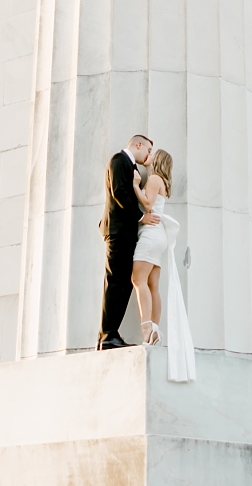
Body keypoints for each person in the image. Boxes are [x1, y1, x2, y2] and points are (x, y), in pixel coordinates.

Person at [97, 134, 156, 350]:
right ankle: (107, 336)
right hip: (118, 232)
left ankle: (111, 334)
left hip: (125, 233)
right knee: (115, 283)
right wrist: (142, 217)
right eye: (148, 150)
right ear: (138, 145)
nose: (148, 155)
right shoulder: (118, 161)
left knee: (122, 284)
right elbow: (119, 192)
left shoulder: (132, 167)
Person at [131, 149, 172, 344]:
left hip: (151, 235)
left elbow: (147, 204)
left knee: (138, 279)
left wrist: (136, 186)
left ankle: (147, 328)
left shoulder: (154, 179)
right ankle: (154, 329)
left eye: (153, 153)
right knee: (152, 285)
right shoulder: (158, 179)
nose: (150, 153)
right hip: (158, 236)